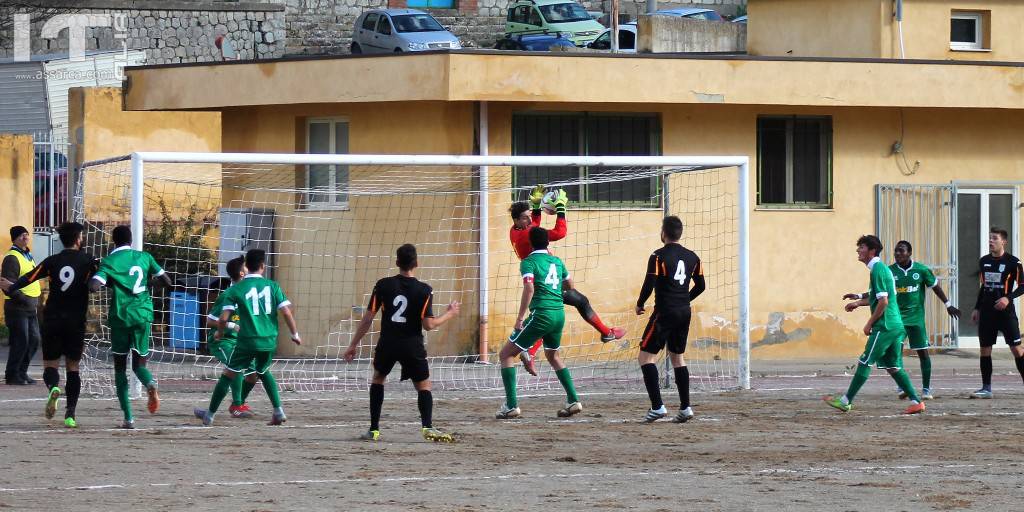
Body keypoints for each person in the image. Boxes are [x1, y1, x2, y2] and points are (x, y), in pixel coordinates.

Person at [343, 244, 460, 442]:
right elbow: (429, 325)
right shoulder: (425, 290)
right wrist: (449, 313)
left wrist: (353, 344)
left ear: (397, 262)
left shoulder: (383, 285)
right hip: (411, 344)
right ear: (416, 263)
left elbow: (368, 318)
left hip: (387, 342)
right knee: (423, 385)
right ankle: (427, 427)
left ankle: (373, 430)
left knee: (378, 378)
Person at [508, 184, 625, 377]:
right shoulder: (528, 233)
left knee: (561, 311)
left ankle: (530, 351)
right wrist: (560, 209)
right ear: (517, 220)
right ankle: (606, 333)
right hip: (545, 282)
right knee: (575, 304)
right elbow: (559, 233)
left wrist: (536, 207)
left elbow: (534, 224)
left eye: (529, 215)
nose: (529, 219)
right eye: (525, 217)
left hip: (542, 278)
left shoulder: (515, 229)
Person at [0, 222, 96, 427]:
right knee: (73, 367)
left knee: (50, 365)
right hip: (75, 320)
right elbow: (102, 280)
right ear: (78, 238)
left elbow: (30, 276)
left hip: (52, 319)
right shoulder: (89, 261)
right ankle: (70, 414)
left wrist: (12, 286)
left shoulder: (52, 261)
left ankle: (53, 387)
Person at [194, 249, 300, 426]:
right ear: (262, 266)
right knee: (262, 371)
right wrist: (294, 333)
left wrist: (222, 329)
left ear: (247, 269)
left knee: (233, 374)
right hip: (263, 340)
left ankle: (212, 414)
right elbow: (288, 311)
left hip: (245, 340)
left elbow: (222, 318)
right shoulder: (272, 286)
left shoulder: (236, 291)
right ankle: (275, 410)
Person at [843, 240, 960, 400]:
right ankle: (907, 393)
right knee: (894, 359)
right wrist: (857, 298)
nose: (898, 254)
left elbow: (934, 287)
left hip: (909, 320)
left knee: (921, 353)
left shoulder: (919, 270)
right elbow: (877, 293)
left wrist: (948, 304)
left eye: (901, 251)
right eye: (896, 251)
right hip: (898, 319)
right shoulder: (889, 270)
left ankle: (925, 390)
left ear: (909, 253)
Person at [825, 235, 925, 415]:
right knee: (893, 366)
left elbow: (884, 302)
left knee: (865, 361)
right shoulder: (882, 269)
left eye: (861, 247)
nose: (858, 250)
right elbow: (878, 298)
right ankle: (916, 402)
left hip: (885, 326)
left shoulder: (878, 270)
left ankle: (846, 401)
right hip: (896, 326)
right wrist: (857, 302)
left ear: (871, 251)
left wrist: (869, 324)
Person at [89, 225, 173, 428]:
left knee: (119, 368)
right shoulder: (144, 257)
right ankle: (150, 383)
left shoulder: (109, 262)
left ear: (113, 241)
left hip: (121, 317)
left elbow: (94, 287)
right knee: (139, 365)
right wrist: (146, 284)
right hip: (143, 314)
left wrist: (99, 275)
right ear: (131, 241)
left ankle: (128, 418)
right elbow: (167, 281)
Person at [496, 226, 582, 419]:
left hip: (541, 314)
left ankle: (511, 405)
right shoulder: (557, 261)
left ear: (530, 243)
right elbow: (570, 285)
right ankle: (573, 400)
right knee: (553, 356)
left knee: (506, 354)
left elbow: (529, 288)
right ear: (548, 243)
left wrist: (519, 319)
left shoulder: (528, 262)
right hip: (558, 314)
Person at [634, 216, 705, 423]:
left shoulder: (658, 256)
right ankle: (685, 408)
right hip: (684, 311)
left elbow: (649, 283)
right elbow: (701, 286)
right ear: (680, 233)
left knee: (645, 357)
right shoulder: (693, 257)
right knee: (677, 357)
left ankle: (657, 407)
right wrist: (683, 299)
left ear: (663, 233)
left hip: (665, 312)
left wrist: (640, 303)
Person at [969, 228, 1024, 399]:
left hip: (1006, 313)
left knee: (1016, 349)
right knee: (985, 349)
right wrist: (977, 308)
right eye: (990, 238)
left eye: (994, 238)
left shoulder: (1013, 262)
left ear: (1004, 242)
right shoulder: (984, 261)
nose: (991, 241)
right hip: (987, 313)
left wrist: (1008, 298)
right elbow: (984, 287)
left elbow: (1022, 285)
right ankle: (986, 388)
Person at [204, 256, 258, 418]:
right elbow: (210, 321)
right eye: (247, 267)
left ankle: (237, 403)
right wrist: (231, 325)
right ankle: (237, 405)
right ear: (242, 273)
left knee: (254, 373)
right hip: (222, 340)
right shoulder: (228, 295)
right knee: (237, 366)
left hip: (238, 341)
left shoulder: (247, 294)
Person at [3, 225, 41, 385]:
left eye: (26, 234)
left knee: (34, 340)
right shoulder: (12, 257)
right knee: (21, 340)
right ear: (15, 238)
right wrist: (23, 298)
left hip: (30, 307)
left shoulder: (28, 255)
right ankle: (12, 375)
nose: (26, 237)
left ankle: (21, 372)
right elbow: (6, 285)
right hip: (17, 307)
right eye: (22, 235)